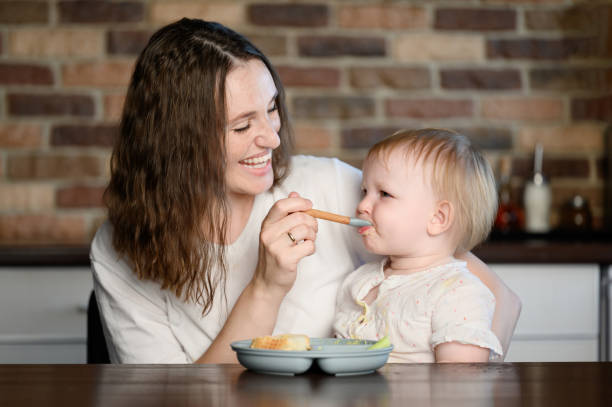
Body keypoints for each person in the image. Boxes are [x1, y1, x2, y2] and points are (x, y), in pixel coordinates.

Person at [90, 18, 520, 363]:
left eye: (272, 109)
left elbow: (496, 299)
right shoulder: (119, 249)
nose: (272, 139)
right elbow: (171, 401)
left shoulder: (333, 186)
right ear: (176, 139)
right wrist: (267, 286)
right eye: (242, 126)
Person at [334, 129, 506, 363]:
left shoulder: (458, 294)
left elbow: (462, 388)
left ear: (438, 218)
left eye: (384, 193)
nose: (362, 205)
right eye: (364, 191)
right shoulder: (359, 281)